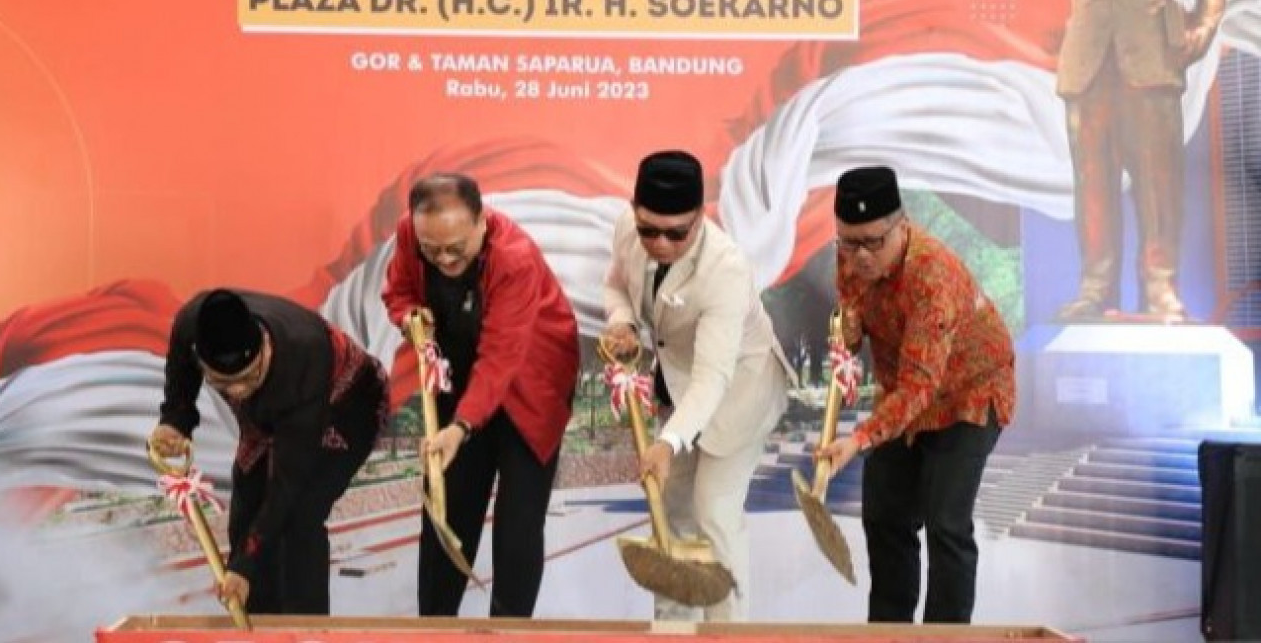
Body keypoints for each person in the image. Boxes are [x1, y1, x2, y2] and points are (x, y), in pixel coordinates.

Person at [816, 166, 1015, 624]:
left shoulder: (933, 277)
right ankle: (889, 633)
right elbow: (852, 307)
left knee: (946, 525)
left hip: (967, 393)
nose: (860, 256)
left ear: (901, 226)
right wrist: (849, 329)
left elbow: (919, 388)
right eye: (849, 242)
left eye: (873, 242)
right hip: (901, 391)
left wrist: (859, 439)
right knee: (885, 518)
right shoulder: (850, 256)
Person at [600, 150, 792, 622]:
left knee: (713, 512)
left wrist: (668, 443)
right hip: (681, 384)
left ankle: (728, 632)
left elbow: (713, 376)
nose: (660, 243)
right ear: (634, 210)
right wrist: (623, 323)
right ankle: (674, 628)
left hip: (740, 389)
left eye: (676, 233)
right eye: (649, 230)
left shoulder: (725, 268)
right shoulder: (627, 229)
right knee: (670, 509)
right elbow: (616, 285)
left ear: (701, 218)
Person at [381, 172, 579, 618]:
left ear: (481, 222)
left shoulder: (514, 258)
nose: (445, 259)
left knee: (518, 522)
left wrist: (460, 427)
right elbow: (399, 291)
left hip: (531, 380)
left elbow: (500, 358)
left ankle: (509, 631)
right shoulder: (413, 233)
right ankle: (434, 627)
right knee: (446, 509)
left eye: (456, 248)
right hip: (460, 372)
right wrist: (410, 316)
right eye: (433, 250)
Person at [149, 288, 388, 614]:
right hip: (271, 412)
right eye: (223, 383)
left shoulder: (305, 355)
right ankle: (257, 625)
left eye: (247, 377)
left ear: (264, 346)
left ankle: (305, 630)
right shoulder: (191, 324)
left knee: (299, 517)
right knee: (245, 515)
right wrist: (175, 423)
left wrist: (245, 565)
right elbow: (181, 383)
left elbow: (288, 485)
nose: (237, 391)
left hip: (348, 405)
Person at [1034, 0, 1225, 321]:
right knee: (1093, 184)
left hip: (1152, 68)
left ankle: (1160, 286)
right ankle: (1096, 287)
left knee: (1159, 186)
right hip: (1089, 71)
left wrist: (1202, 30)